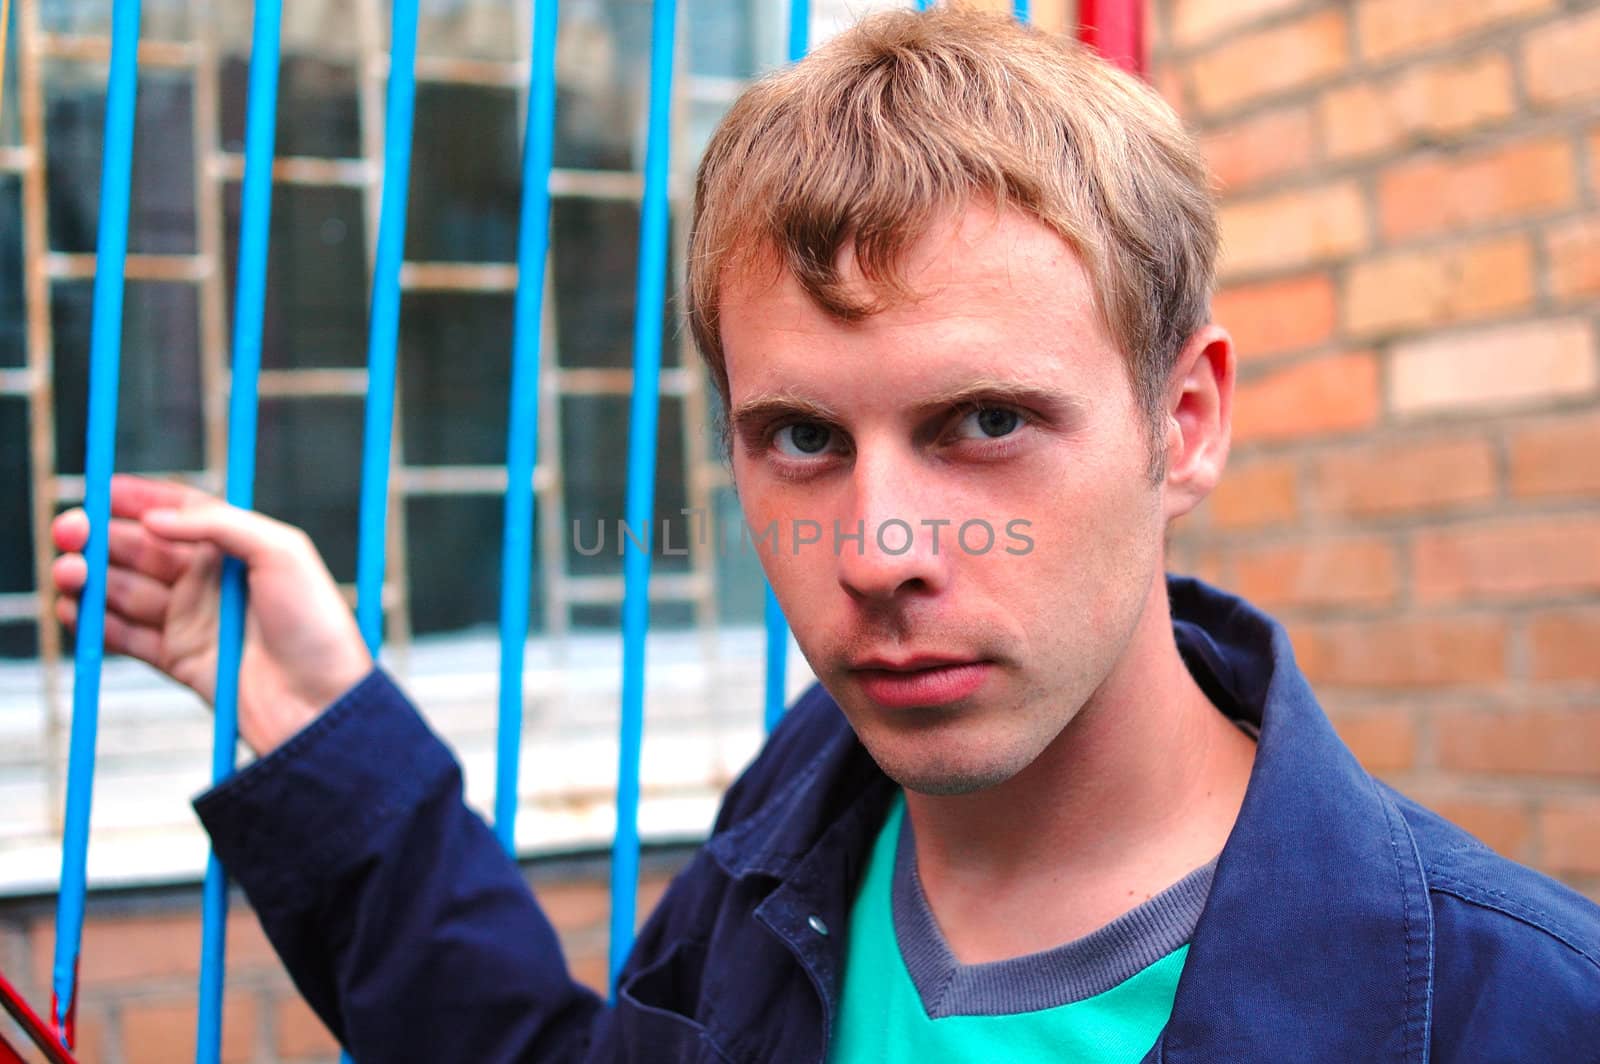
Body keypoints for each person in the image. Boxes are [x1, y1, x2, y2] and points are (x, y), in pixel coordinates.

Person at [50, 7, 1599, 1062]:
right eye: (801, 438)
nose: (877, 549)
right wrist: (321, 732)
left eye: (983, 423)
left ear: (1183, 420)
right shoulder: (798, 829)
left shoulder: (1515, 1008)